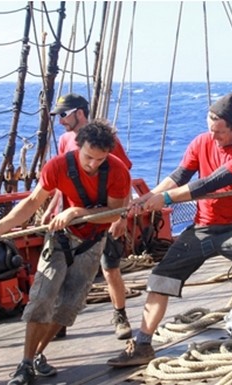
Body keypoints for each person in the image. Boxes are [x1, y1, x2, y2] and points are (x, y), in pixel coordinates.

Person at [106, 93, 232, 368]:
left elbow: (207, 184)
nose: (213, 137)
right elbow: (180, 176)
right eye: (211, 130)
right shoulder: (201, 141)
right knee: (160, 279)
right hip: (204, 227)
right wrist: (147, 198)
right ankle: (143, 345)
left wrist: (167, 200)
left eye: (219, 132)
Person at [0, 120, 131, 385]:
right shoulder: (58, 166)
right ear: (77, 146)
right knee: (42, 297)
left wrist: (76, 212)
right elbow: (32, 202)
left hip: (92, 243)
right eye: (88, 157)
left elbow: (115, 212)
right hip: (60, 239)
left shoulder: (117, 172)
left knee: (68, 307)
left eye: (100, 159)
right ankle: (25, 363)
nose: (93, 164)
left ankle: (38, 354)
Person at [48, 93, 133, 340]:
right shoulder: (65, 140)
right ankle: (59, 321)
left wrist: (120, 217)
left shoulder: (107, 140)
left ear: (80, 112)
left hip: (105, 214)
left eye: (64, 114)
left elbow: (123, 178)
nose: (60, 121)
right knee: (64, 270)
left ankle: (120, 315)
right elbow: (61, 182)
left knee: (110, 268)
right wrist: (53, 209)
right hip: (74, 220)